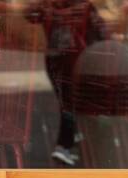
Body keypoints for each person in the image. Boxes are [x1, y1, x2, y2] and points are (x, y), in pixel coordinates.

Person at [24, 0, 109, 165]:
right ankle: (65, 144)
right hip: (76, 59)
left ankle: (70, 139)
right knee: (72, 103)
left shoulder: (50, 5)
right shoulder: (84, 7)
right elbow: (102, 34)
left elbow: (30, 15)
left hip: (54, 59)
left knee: (67, 102)